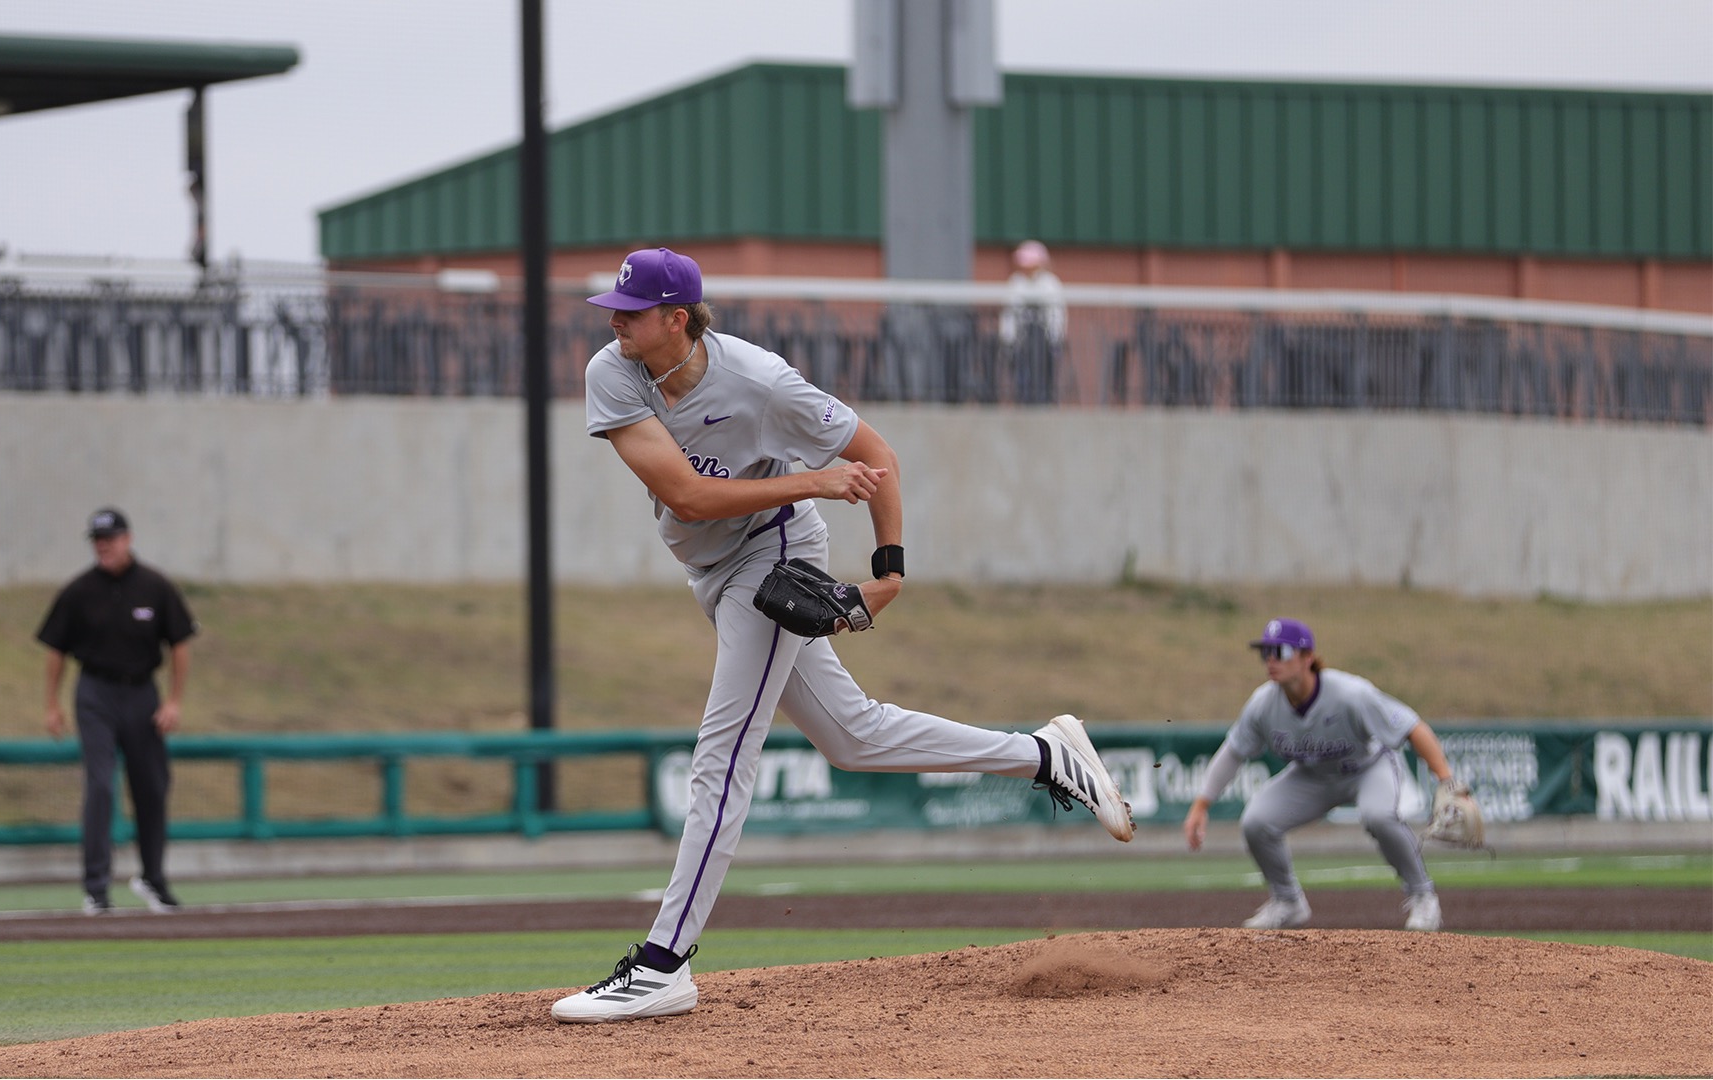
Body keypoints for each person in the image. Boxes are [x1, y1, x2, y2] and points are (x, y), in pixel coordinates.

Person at [551, 247, 1135, 1024]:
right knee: (854, 738)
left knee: (722, 757)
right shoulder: (614, 370)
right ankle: (1046, 755)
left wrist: (889, 571)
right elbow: (687, 498)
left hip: (774, 555)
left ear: (677, 319)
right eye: (614, 309)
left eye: (630, 310)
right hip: (713, 563)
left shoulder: (759, 380)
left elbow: (877, 458)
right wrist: (816, 479)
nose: (614, 320)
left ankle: (664, 964)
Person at [1182, 617, 1453, 932]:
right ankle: (1287, 901)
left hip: (1367, 767)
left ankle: (1423, 896)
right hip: (1312, 775)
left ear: (1307, 657)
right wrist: (1201, 805)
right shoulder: (1263, 703)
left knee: (1379, 816)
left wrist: (1446, 780)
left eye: (1280, 651)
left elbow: (1412, 726)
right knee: (1257, 821)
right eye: (1266, 652)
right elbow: (1233, 751)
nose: (1271, 660)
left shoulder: (1351, 694)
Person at [36, 507, 198, 916]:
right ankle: (96, 886)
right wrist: (52, 704)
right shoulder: (79, 591)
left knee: (152, 787)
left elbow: (180, 643)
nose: (103, 547)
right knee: (102, 785)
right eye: (97, 540)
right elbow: (55, 649)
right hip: (95, 693)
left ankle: (153, 880)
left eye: (109, 539)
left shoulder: (154, 586)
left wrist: (174, 701)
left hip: (142, 693)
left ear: (128, 539)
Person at [997, 240, 1066, 403]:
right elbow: (1008, 313)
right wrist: (1008, 339)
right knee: (1021, 369)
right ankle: (1024, 397)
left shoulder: (1050, 284)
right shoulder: (1016, 283)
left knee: (1043, 370)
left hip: (1045, 343)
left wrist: (1055, 339)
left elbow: (1057, 315)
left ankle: (1044, 398)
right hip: (1020, 342)